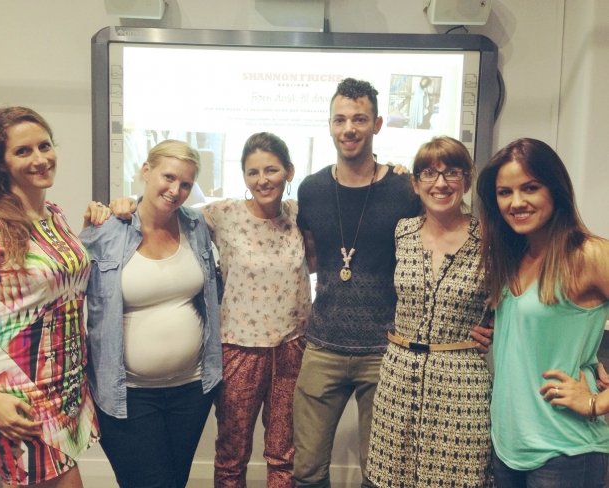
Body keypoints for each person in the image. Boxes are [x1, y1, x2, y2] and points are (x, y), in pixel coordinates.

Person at [0, 106, 100, 487]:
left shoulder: (54, 214)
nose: (40, 159)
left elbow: (51, 285)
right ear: (0, 163)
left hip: (66, 382)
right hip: (18, 387)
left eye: (44, 146)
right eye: (23, 151)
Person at [292, 78, 422, 488]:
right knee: (306, 469)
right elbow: (312, 255)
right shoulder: (312, 189)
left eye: (360, 119)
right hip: (323, 344)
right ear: (330, 125)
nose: (349, 128)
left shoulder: (404, 189)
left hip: (385, 349)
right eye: (340, 119)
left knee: (380, 472)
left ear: (377, 124)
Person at [79, 139, 222, 488]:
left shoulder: (195, 226)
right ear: (146, 170)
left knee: (174, 481)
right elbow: (63, 290)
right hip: (128, 393)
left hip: (192, 389)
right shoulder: (106, 229)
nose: (175, 190)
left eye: (186, 184)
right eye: (168, 177)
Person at [476, 138, 609, 487]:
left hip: (566, 452)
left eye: (530, 188)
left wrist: (597, 402)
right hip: (508, 447)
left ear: (556, 190)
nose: (516, 202)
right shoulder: (513, 255)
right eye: (505, 192)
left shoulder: (589, 255)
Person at [366, 136, 493, 487]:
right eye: (429, 173)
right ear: (415, 183)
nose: (440, 183)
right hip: (398, 377)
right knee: (391, 477)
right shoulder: (402, 232)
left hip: (460, 380)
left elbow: (514, 296)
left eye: (452, 172)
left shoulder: (489, 240)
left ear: (467, 179)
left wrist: (494, 324)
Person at [203, 132, 311, 487]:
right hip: (239, 349)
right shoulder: (224, 214)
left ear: (289, 171)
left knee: (283, 455)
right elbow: (164, 211)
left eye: (271, 170)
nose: (262, 180)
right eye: (253, 172)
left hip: (291, 349)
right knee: (231, 455)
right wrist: (122, 207)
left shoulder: (300, 214)